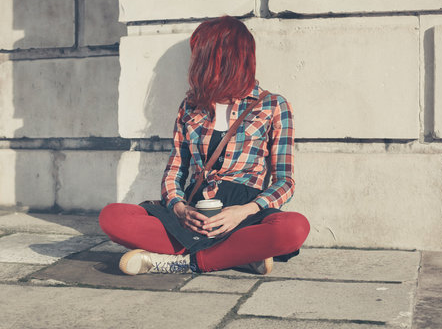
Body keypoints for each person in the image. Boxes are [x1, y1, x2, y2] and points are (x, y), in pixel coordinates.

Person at [99, 16, 310, 275]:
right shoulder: (190, 107)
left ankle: (183, 262)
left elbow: (285, 181)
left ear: (221, 58)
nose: (194, 62)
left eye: (200, 55)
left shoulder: (273, 105)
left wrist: (244, 211)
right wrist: (179, 208)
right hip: (194, 214)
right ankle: (236, 256)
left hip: (244, 215)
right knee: (112, 216)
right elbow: (175, 171)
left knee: (294, 227)